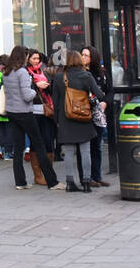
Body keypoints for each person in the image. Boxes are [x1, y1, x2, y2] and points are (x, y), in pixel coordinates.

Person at [2, 45, 61, 191]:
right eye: (27, 55)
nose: (28, 58)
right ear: (23, 56)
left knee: (19, 147)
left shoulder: (6, 72)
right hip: (24, 112)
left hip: (11, 112)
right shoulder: (22, 72)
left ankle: (20, 182)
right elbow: (27, 96)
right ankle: (52, 182)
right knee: (39, 145)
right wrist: (36, 88)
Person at [52, 50, 104, 192]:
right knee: (85, 150)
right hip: (83, 117)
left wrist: (57, 121)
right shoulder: (86, 75)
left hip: (65, 118)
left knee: (68, 151)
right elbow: (99, 95)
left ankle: (70, 183)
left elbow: (55, 103)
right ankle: (86, 182)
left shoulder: (58, 77)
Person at [81, 46, 112, 186]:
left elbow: (109, 91)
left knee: (97, 146)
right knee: (85, 146)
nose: (83, 57)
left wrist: (105, 102)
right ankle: (87, 177)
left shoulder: (101, 73)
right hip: (84, 113)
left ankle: (97, 175)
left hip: (98, 113)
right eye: (82, 54)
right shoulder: (80, 73)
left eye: (86, 55)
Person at [26, 49, 54, 186]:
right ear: (28, 59)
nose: (37, 61)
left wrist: (47, 86)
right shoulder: (25, 73)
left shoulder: (44, 72)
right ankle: (38, 175)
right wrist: (35, 85)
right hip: (33, 111)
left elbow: (52, 89)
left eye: (38, 59)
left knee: (48, 141)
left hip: (47, 111)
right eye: (34, 59)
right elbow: (24, 91)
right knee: (36, 143)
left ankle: (48, 172)